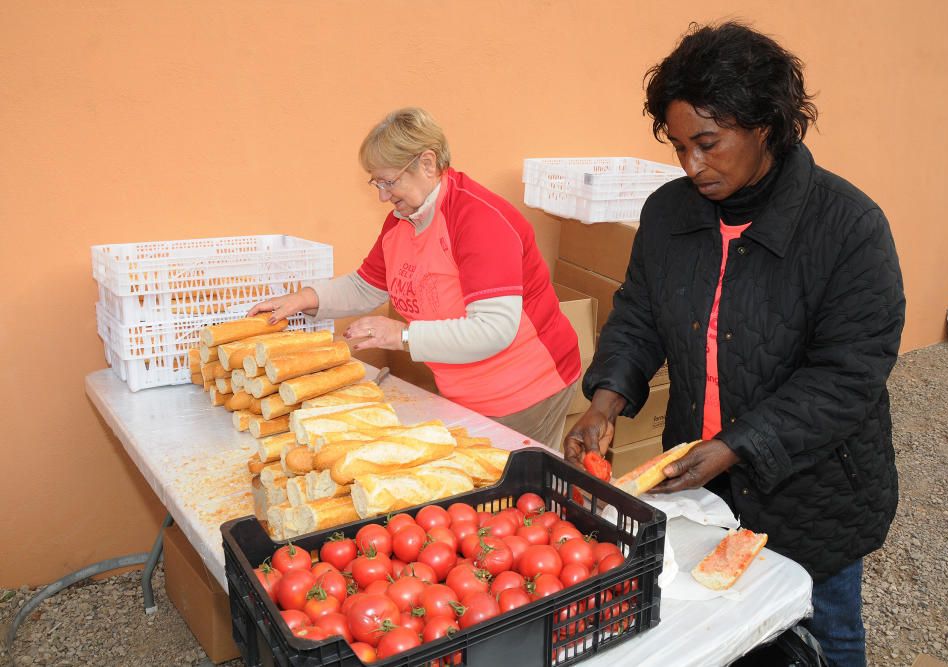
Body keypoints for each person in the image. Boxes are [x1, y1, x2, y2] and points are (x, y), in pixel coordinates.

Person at [564, 22, 904, 667]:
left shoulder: (849, 227)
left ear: (766, 126)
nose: (692, 165)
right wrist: (606, 400)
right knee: (716, 635)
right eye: (679, 146)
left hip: (814, 492)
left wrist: (737, 447)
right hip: (702, 486)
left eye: (709, 144)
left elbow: (846, 375)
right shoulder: (670, 214)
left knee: (822, 629)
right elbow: (639, 314)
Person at [250, 107, 580, 450]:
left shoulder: (479, 220)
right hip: (463, 390)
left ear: (427, 163)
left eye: (389, 182)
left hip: (525, 389)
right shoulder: (402, 219)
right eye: (376, 183)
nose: (382, 196)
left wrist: (401, 335)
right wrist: (305, 298)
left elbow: (493, 329)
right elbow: (367, 284)